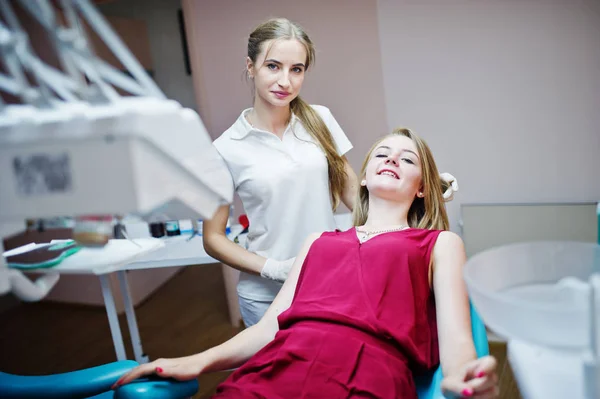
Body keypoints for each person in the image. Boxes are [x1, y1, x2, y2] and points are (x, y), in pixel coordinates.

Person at [114, 128, 498, 399]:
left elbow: (458, 343)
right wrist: (195, 361)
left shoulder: (439, 243)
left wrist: (464, 378)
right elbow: (268, 330)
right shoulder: (319, 241)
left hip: (368, 376)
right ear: (362, 178)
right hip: (278, 367)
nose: (392, 159)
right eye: (382, 154)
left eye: (407, 158)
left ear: (422, 188)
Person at [202, 17, 359, 327]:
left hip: (328, 283)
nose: (285, 81)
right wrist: (273, 268)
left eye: (296, 69)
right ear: (250, 66)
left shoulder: (320, 120)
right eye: (273, 66)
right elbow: (212, 238)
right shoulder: (225, 148)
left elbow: (352, 192)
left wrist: (420, 191)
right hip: (265, 297)